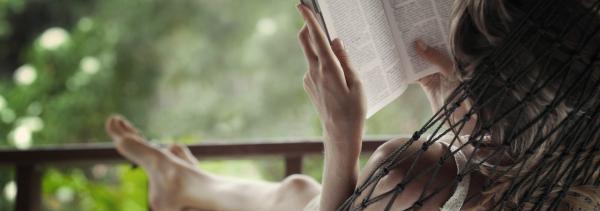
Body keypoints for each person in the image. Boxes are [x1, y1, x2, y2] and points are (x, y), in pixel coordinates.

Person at [106, 0, 600, 210]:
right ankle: (186, 183)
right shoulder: (566, 178)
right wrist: (456, 113)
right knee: (293, 191)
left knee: (296, 195)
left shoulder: (412, 175)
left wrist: (341, 134)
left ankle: (184, 184)